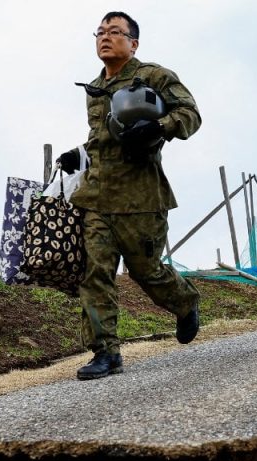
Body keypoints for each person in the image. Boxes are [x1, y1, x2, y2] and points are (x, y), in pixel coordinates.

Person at [57, 11, 202, 380]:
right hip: (97, 198)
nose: (105, 37)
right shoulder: (94, 88)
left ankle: (185, 303)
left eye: (115, 32)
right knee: (94, 274)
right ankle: (106, 352)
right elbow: (101, 141)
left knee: (147, 272)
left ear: (133, 43)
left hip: (141, 198)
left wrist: (160, 125)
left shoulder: (153, 76)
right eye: (100, 32)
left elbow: (190, 114)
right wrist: (80, 154)